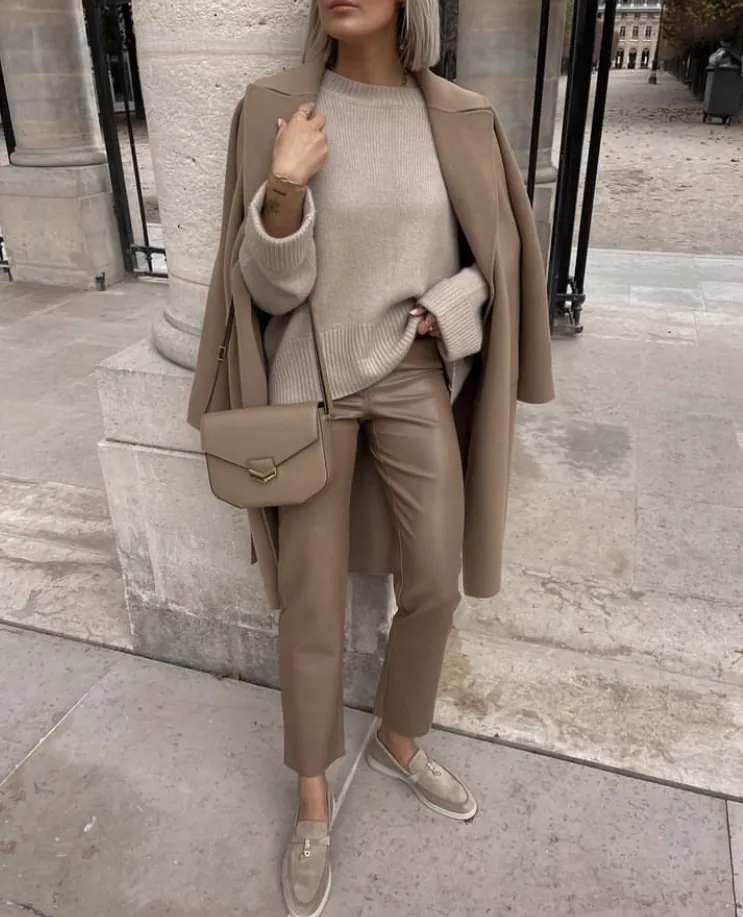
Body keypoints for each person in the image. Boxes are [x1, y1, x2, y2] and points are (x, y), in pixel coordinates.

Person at [187, 0, 554, 913]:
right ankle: (312, 794)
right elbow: (266, 293)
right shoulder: (279, 107)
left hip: (412, 373)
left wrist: (448, 303)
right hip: (309, 383)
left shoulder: (461, 116)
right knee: (310, 599)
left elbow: (499, 252)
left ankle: (398, 732)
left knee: (435, 574)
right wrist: (284, 190)